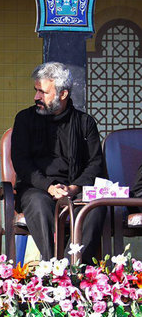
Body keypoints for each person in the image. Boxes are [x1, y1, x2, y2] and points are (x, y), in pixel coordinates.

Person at [11, 62, 105, 264]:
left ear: (63, 94)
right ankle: (52, 265)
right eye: (36, 91)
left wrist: (73, 188)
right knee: (39, 202)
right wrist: (49, 187)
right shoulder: (24, 119)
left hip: (75, 188)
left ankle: (75, 268)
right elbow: (21, 162)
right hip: (37, 188)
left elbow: (95, 163)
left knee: (96, 207)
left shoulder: (84, 123)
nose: (37, 97)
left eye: (43, 92)